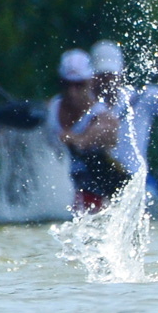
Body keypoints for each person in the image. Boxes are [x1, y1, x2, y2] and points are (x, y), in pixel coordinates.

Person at [90, 39, 158, 201]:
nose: (106, 80)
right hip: (94, 182)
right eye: (102, 75)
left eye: (111, 75)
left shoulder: (140, 98)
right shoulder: (80, 104)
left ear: (120, 73)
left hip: (136, 182)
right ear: (92, 76)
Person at [43, 49, 129, 213]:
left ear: (91, 82)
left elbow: (107, 134)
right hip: (55, 193)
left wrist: (79, 140)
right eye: (66, 84)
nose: (72, 92)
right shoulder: (48, 110)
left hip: (93, 191)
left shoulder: (104, 117)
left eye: (78, 84)